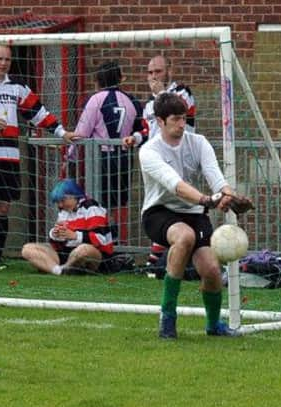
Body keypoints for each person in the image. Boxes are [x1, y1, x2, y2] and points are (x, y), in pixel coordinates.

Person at [0, 45, 77, 270]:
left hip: (9, 156)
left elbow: (39, 113)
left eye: (7, 60)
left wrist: (62, 132)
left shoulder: (18, 86)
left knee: (2, 207)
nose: (3, 63)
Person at [139, 92, 247, 339]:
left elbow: (216, 177)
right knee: (185, 237)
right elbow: (175, 185)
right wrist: (207, 200)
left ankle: (213, 326)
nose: (181, 124)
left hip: (194, 212)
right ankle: (167, 317)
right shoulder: (148, 151)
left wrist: (230, 196)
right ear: (160, 121)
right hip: (159, 212)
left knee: (210, 270)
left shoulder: (198, 142)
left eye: (184, 118)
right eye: (175, 119)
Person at [126, 54, 198, 272]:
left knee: (176, 207)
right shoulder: (149, 104)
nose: (153, 76)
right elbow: (148, 131)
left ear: (169, 70)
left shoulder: (182, 92)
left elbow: (183, 110)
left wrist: (160, 94)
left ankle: (159, 260)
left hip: (179, 158)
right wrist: (135, 138)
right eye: (150, 72)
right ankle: (158, 260)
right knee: (161, 207)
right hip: (157, 161)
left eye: (158, 71)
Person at [73, 61, 146, 245]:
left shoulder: (96, 100)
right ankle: (120, 245)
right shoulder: (132, 101)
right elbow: (142, 131)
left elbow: (81, 133)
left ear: (98, 79)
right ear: (119, 78)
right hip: (124, 158)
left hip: (101, 159)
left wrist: (70, 156)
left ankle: (103, 244)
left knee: (99, 204)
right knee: (120, 204)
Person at [21, 179, 114, 275]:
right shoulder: (64, 211)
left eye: (62, 200)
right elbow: (56, 246)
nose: (60, 205)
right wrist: (55, 235)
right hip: (66, 254)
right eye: (58, 202)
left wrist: (75, 236)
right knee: (27, 249)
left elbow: (101, 239)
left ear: (73, 196)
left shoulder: (92, 207)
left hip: (94, 256)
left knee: (83, 250)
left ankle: (63, 268)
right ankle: (59, 271)